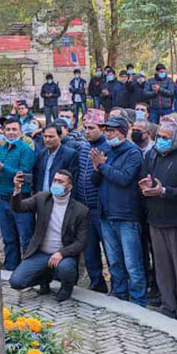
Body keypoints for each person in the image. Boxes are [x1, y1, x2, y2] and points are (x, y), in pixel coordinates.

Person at [138, 116, 177, 322]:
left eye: (166, 137)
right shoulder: (153, 155)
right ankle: (168, 306)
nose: (161, 141)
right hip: (156, 218)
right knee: (163, 267)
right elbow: (145, 177)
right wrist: (145, 186)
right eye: (159, 137)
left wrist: (165, 191)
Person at [8, 169, 88, 301]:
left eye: (60, 181)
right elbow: (19, 207)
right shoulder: (42, 198)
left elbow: (81, 242)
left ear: (70, 186)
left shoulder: (80, 210)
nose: (56, 183)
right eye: (55, 180)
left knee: (66, 269)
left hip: (63, 256)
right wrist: (17, 189)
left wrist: (61, 253)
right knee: (16, 282)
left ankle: (66, 288)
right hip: (41, 253)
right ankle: (45, 278)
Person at [91, 117, 146, 305]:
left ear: (123, 132)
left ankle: (138, 299)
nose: (108, 134)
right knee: (114, 261)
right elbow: (94, 181)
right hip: (106, 215)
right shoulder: (105, 151)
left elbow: (123, 178)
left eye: (112, 131)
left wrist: (102, 166)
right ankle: (119, 294)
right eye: (106, 130)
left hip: (126, 216)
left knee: (132, 263)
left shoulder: (133, 153)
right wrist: (97, 169)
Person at [0, 117, 37, 270]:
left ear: (20, 131)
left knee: (26, 238)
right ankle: (11, 267)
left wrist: (3, 167)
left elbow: (23, 174)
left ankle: (28, 270)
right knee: (9, 238)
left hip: (21, 200)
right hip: (2, 200)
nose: (10, 133)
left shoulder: (26, 149)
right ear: (3, 131)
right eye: (8, 130)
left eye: (14, 129)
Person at [76, 109, 111, 292]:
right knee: (89, 250)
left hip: (101, 208)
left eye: (91, 128)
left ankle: (118, 285)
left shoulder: (108, 149)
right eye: (85, 128)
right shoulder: (84, 148)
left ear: (102, 128)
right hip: (84, 208)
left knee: (110, 250)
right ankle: (96, 282)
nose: (87, 131)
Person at [34, 124, 80, 195]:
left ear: (60, 137)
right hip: (42, 197)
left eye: (51, 137)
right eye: (45, 136)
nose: (47, 140)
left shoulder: (70, 154)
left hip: (60, 198)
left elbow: (73, 181)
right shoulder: (42, 154)